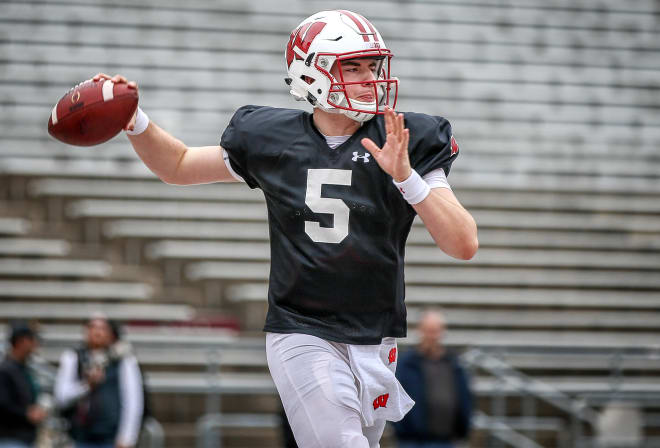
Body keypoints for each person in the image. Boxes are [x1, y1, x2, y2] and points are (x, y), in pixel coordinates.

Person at [92, 9, 478, 447]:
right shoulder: (272, 136)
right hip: (302, 329)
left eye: (373, 66)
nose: (369, 78)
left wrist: (407, 178)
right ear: (311, 73)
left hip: (376, 334)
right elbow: (178, 165)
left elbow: (463, 243)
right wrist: (134, 119)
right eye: (352, 66)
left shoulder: (404, 138)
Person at [55, 315, 143, 448]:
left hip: (111, 438)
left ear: (110, 334)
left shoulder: (124, 360)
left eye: (102, 328)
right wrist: (86, 386)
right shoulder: (73, 357)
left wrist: (127, 437)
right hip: (78, 438)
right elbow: (61, 397)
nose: (97, 332)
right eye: (92, 327)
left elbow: (133, 401)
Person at [393, 310, 473, 448]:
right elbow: (395, 396)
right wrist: (402, 429)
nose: (432, 336)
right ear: (420, 331)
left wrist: (463, 429)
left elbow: (465, 398)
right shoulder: (406, 364)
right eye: (429, 331)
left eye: (436, 331)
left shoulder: (454, 364)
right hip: (412, 442)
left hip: (446, 441)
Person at [0, 323, 47, 448]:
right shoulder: (5, 370)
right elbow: (3, 404)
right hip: (10, 438)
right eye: (32, 340)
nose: (35, 344)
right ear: (21, 342)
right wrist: (26, 413)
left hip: (25, 438)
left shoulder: (23, 369)